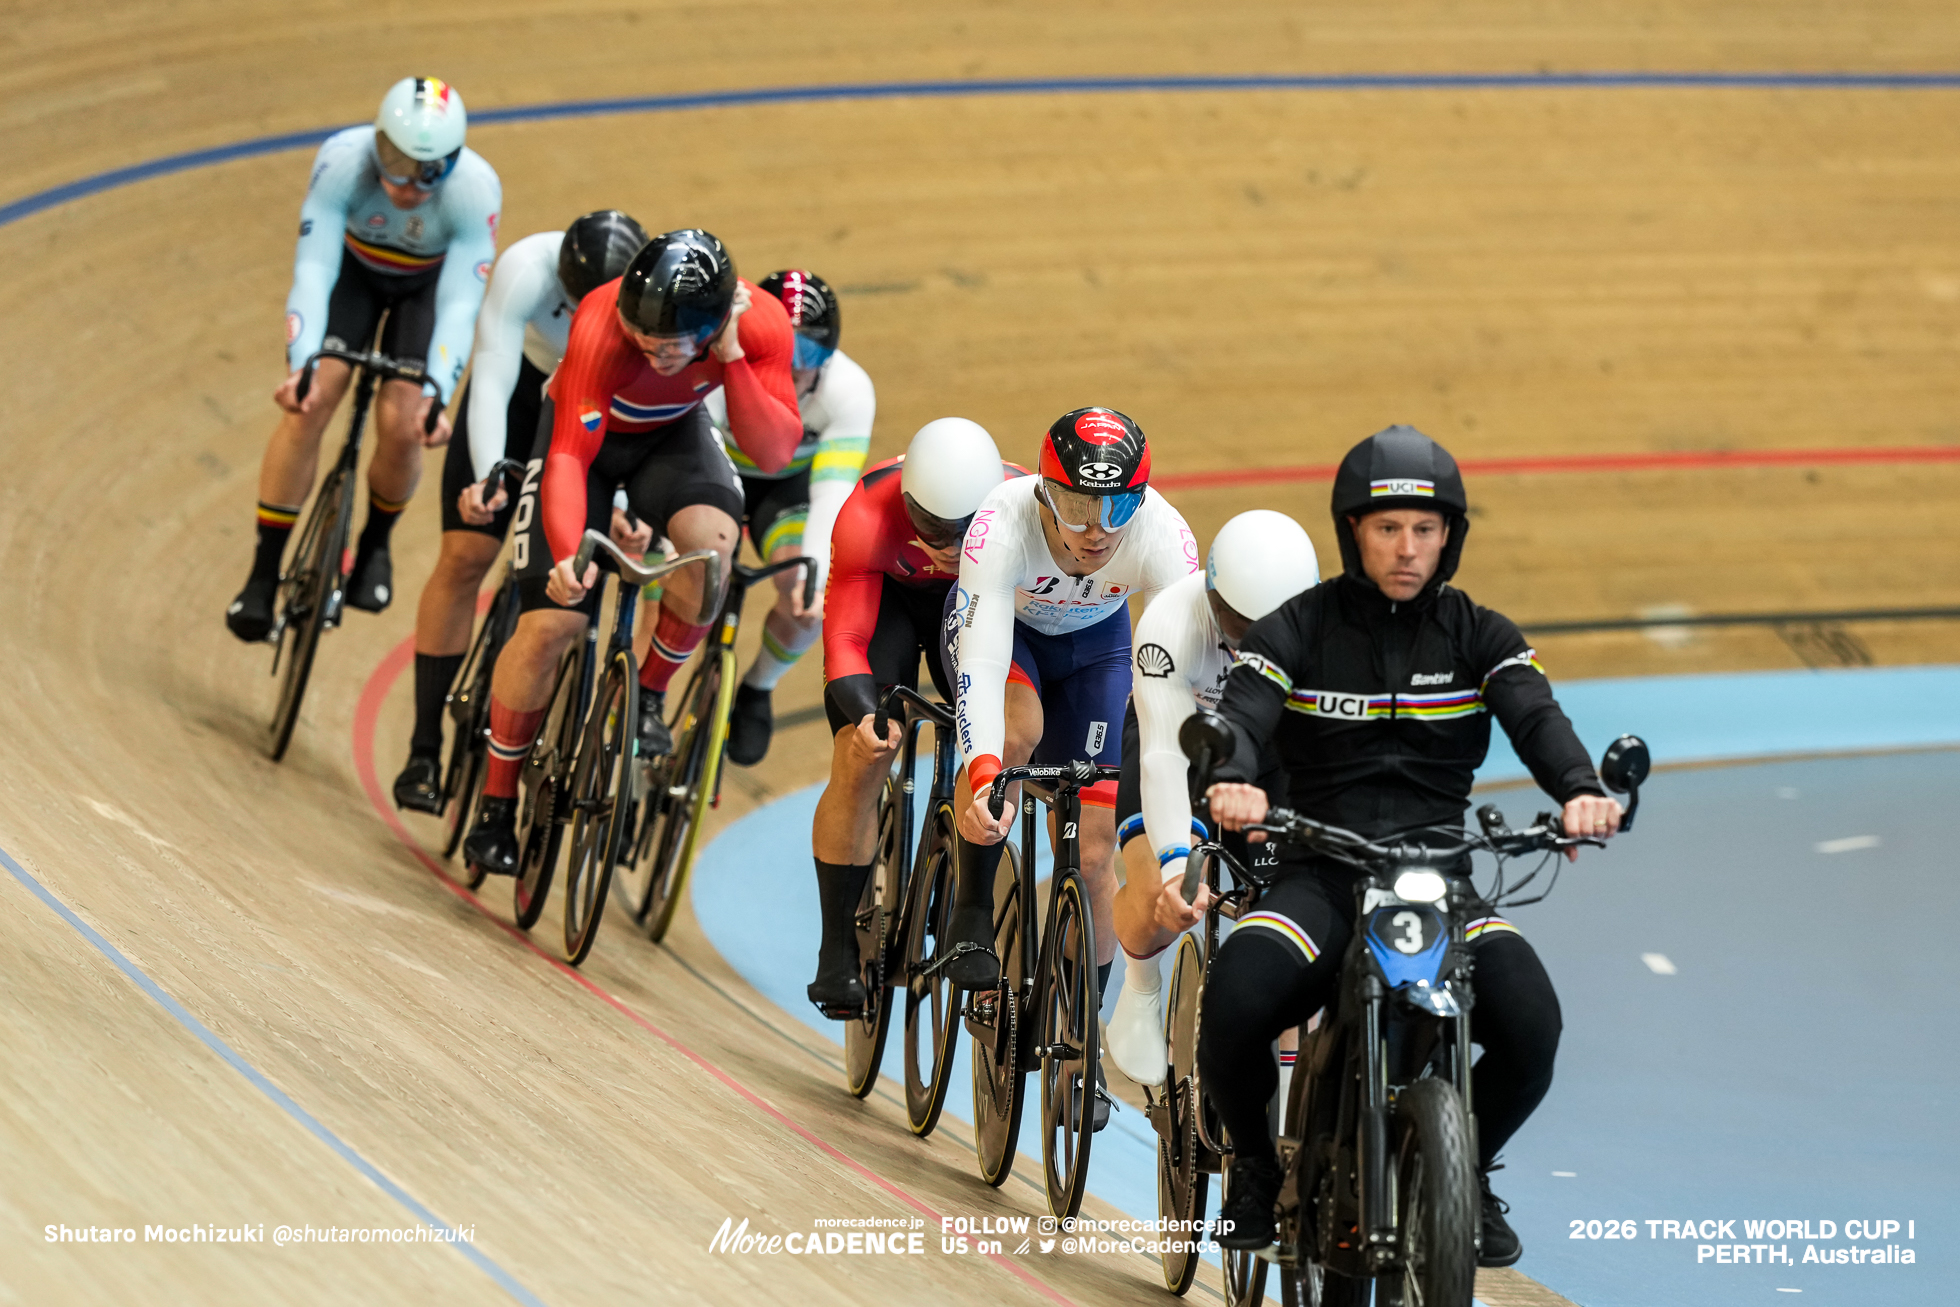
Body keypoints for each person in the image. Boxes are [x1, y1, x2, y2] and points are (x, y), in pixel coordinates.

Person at [1197, 424, 1625, 1263]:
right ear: (1352, 531)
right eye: (1388, 527)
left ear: (1448, 536)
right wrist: (1233, 777)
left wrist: (1579, 789)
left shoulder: (1481, 635)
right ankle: (1253, 1167)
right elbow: (1240, 717)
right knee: (1235, 997)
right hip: (1322, 877)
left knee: (1533, 1024)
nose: (1406, 549)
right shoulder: (1295, 629)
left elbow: (1536, 716)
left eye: (1425, 529)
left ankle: (1468, 1168)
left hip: (1441, 881)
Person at [460, 230, 801, 876]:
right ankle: (496, 803)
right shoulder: (602, 322)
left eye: (671, 343)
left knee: (711, 554)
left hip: (672, 437)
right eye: (642, 335)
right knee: (552, 625)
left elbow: (774, 450)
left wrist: (730, 360)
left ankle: (647, 694)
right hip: (583, 445)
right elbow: (568, 455)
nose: (653, 350)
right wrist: (569, 556)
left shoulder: (759, 325)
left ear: (713, 325)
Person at [940, 406, 1200, 1129]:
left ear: (1140, 500)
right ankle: (970, 912)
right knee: (1015, 734)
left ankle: (1082, 1043)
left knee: (1095, 851)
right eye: (1078, 505)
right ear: (1044, 491)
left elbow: (1177, 686)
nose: (1096, 529)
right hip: (1010, 637)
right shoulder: (1001, 521)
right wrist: (984, 770)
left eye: (1116, 507)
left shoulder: (1164, 538)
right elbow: (982, 661)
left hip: (1097, 651)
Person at [388, 210, 649, 812]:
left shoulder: (648, 304)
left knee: (563, 597)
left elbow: (641, 424)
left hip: (589, 414)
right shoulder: (527, 267)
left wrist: (623, 503)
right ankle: (424, 747)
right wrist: (488, 473)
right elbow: (493, 375)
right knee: (466, 553)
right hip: (520, 399)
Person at [227, 77, 501, 640]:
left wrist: (437, 392)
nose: (407, 184)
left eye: (428, 171)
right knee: (311, 402)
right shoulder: (343, 161)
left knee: (404, 423)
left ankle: (375, 545)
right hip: (352, 274)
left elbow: (459, 304)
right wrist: (303, 364)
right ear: (377, 144)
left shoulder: (475, 190)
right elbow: (314, 269)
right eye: (395, 163)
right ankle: (262, 574)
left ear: (453, 163)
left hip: (423, 292)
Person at [804, 418, 1019, 1016]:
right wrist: (864, 715)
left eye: (965, 529)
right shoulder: (868, 511)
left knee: (1001, 738)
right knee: (861, 756)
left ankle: (970, 901)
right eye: (934, 528)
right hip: (889, 606)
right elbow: (846, 637)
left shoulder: (1021, 508)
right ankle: (835, 946)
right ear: (907, 504)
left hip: (974, 609)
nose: (950, 546)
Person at [1102, 511, 1319, 1086]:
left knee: (1300, 915)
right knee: (1158, 888)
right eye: (1238, 625)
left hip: (1274, 754)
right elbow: (1163, 758)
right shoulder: (1171, 621)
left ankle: (1288, 1096)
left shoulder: (1335, 631)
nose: (1251, 645)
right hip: (1180, 738)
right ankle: (1141, 987)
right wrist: (1177, 865)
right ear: (1211, 595)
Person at [708, 270, 874, 766]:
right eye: (783, 350)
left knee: (807, 598)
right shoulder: (718, 366)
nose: (797, 369)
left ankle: (758, 686)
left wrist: (812, 575)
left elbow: (832, 492)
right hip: (710, 469)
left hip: (785, 487)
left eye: (811, 353)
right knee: (683, 573)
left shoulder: (848, 390)